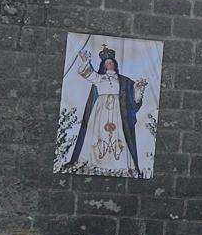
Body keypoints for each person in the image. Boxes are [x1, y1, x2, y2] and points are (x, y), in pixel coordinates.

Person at [62, 45, 147, 177]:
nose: (109, 64)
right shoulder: (99, 78)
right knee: (98, 133)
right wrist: (85, 61)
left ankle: (121, 165)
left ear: (115, 64)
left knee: (119, 134)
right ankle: (96, 163)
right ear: (104, 65)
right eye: (107, 63)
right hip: (101, 110)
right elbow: (86, 73)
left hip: (118, 111)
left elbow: (134, 98)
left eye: (111, 62)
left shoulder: (123, 80)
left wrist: (139, 88)